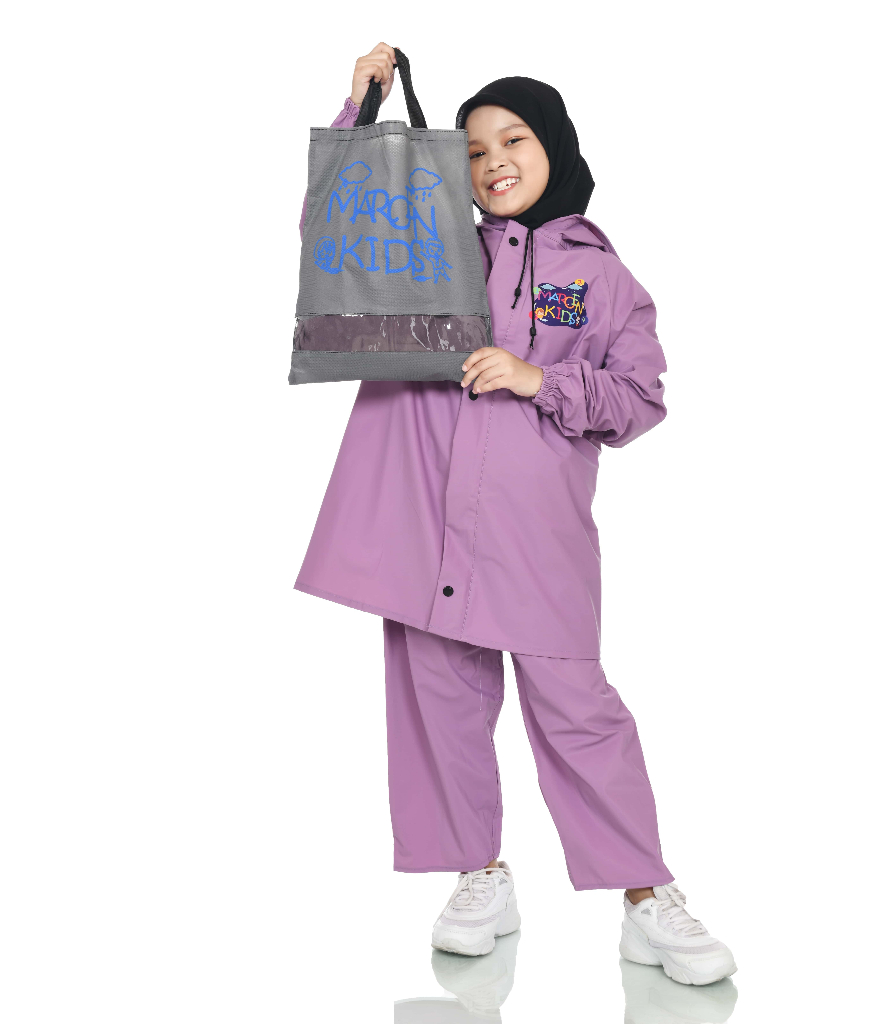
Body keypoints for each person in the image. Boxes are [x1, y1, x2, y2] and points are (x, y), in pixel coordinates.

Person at [295, 41, 737, 987]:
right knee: (440, 705)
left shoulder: (605, 279)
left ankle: (645, 895)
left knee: (580, 712)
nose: (493, 160)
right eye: (473, 149)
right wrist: (363, 104)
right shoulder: (428, 248)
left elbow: (639, 402)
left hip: (536, 539)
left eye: (515, 139)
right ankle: (480, 875)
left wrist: (540, 379)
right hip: (420, 527)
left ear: (556, 146)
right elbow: (335, 226)